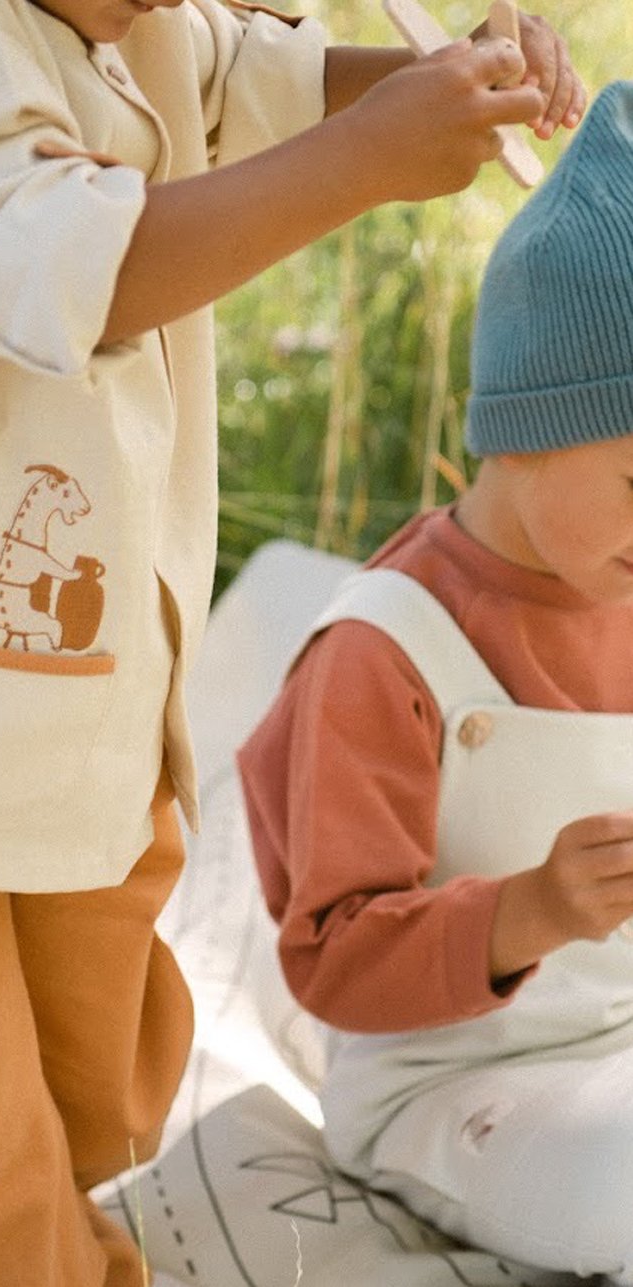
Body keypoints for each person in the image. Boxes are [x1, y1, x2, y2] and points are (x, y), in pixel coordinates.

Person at [0, 0, 583, 1281]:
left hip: (38, 702)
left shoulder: (127, 18)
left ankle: (52, 1214)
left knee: (96, 1075)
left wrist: (440, 87)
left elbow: (244, 77)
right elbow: (74, 266)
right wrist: (368, 157)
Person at [239, 79, 633, 1283]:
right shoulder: (386, 651)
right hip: (455, 1081)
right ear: (526, 418)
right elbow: (335, 959)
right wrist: (533, 911)